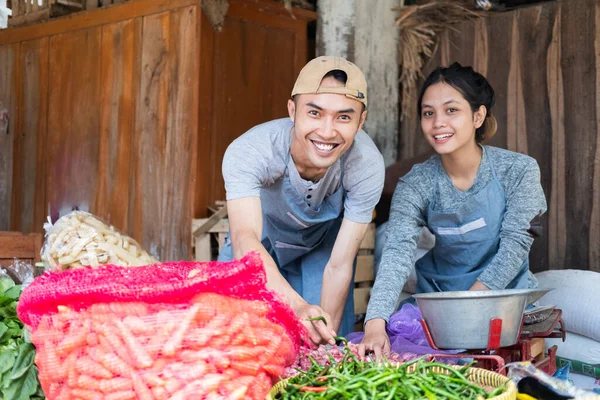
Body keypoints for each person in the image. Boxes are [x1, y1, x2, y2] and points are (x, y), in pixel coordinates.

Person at [359, 63, 547, 359]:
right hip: (439, 301)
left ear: (478, 116)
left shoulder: (518, 170)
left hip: (503, 299)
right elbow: (397, 253)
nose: (437, 123)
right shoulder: (416, 184)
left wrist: (470, 306)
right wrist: (374, 324)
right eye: (428, 113)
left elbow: (517, 243)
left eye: (451, 110)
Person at [219, 56, 385, 345]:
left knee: (320, 342)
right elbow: (245, 239)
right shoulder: (251, 150)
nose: (327, 131)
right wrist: (296, 306)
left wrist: (325, 343)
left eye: (344, 117)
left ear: (361, 121)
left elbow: (340, 264)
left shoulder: (366, 165)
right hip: (261, 245)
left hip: (322, 251)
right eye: (315, 113)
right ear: (292, 111)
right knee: (237, 337)